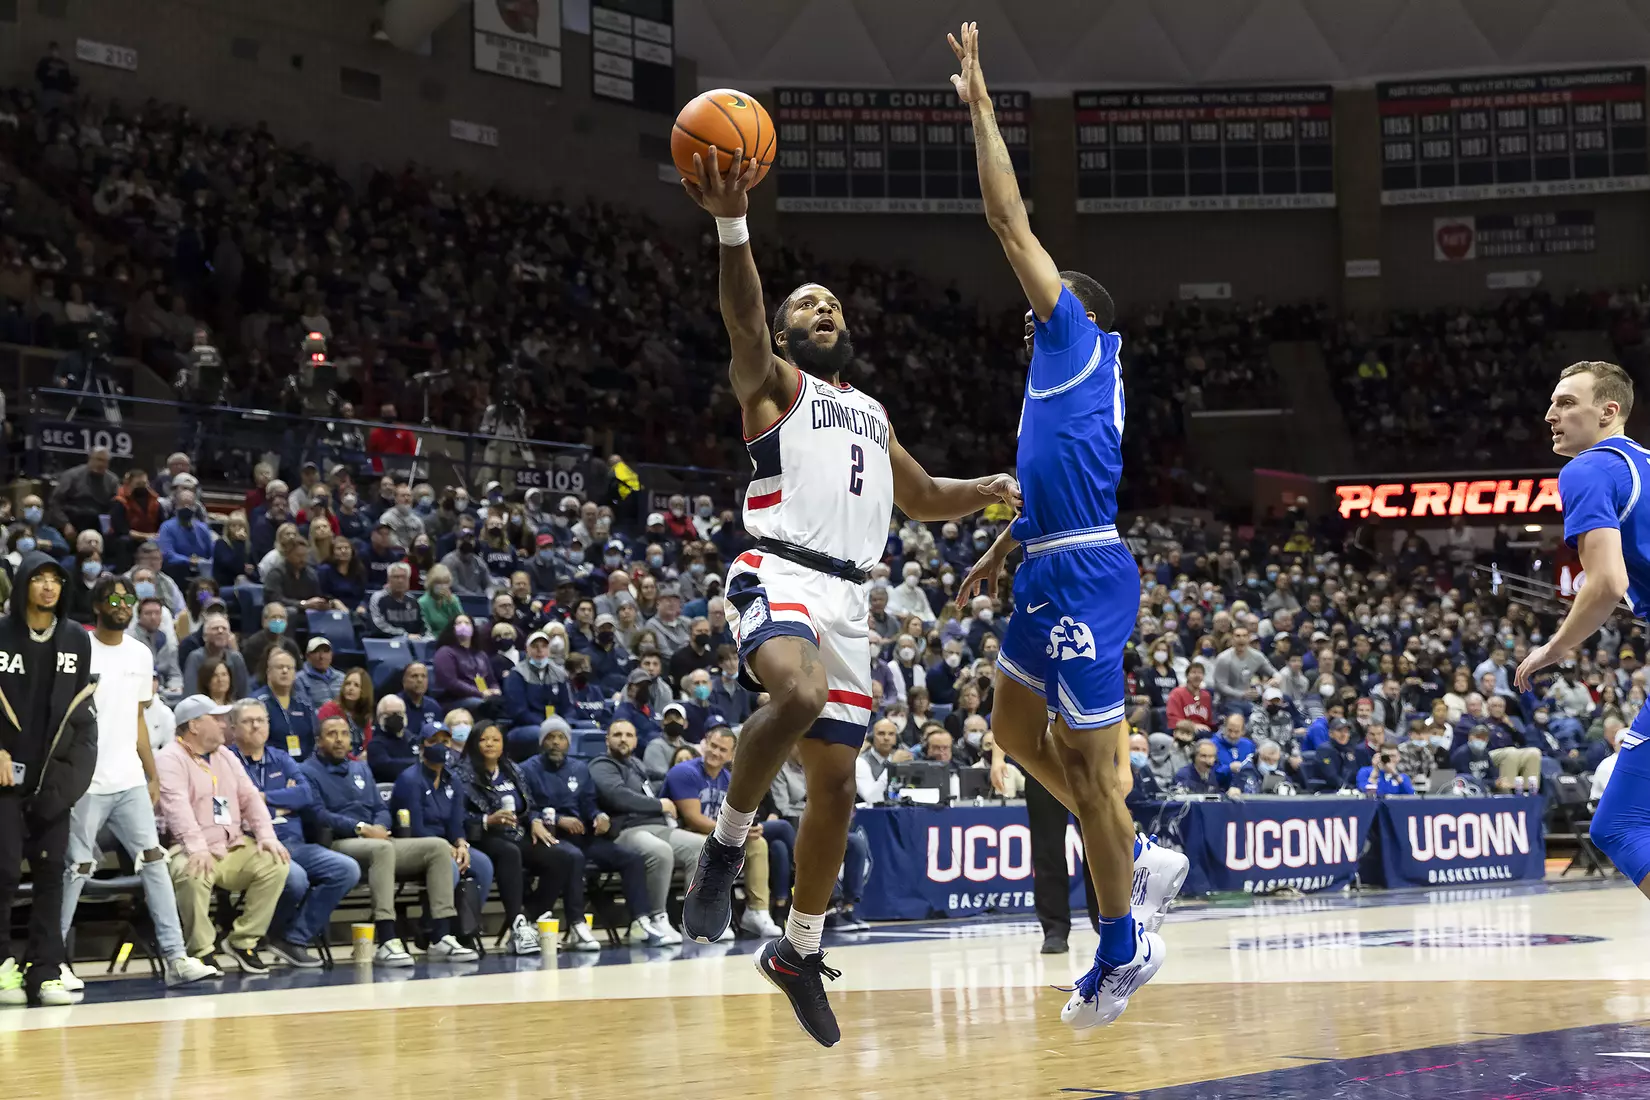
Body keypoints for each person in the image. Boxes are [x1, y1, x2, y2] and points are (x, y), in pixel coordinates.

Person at [677, 121, 1019, 1048]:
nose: (823, 309)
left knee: (835, 791)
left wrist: (984, 490)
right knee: (794, 689)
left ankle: (796, 946)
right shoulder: (772, 383)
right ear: (786, 332)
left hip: (851, 601)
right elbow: (741, 319)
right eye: (807, 304)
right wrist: (735, 226)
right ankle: (724, 843)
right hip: (779, 566)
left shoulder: (870, 410)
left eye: (833, 304)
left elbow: (923, 497)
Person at [948, 21, 1172, 1031]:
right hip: (1045, 562)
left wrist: (985, 106)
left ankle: (1123, 944)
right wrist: (995, 550)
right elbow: (1044, 483)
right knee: (1007, 727)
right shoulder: (1059, 380)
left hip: (1082, 576)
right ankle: (1122, 833)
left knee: (1091, 771)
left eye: (1043, 294)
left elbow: (1005, 218)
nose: (1027, 306)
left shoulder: (1076, 332)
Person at [1522, 361, 1650, 896]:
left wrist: (1555, 647)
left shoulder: (1588, 470)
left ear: (1608, 411)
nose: (1551, 414)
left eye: (1567, 403)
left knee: (1618, 824)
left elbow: (1603, 583)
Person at [59, 575, 217, 991]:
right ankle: (51, 961)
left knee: (154, 860)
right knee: (76, 867)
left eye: (127, 599)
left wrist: (150, 772)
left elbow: (137, 720)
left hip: (129, 777)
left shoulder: (142, 653)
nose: (121, 604)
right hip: (85, 780)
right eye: (113, 598)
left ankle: (176, 957)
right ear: (97, 605)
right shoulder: (79, 648)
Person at [0, 552, 98, 1006]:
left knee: (51, 874)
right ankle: (2, 966)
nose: (47, 587)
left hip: (50, 779)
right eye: (38, 579)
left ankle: (44, 969)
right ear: (22, 585)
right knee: (2, 872)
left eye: (55, 580)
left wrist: (65, 782)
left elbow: (80, 715)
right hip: (3, 779)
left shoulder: (77, 639)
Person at [301, 715, 467, 966]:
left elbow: (380, 807)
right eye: (331, 734)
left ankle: (441, 935)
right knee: (381, 849)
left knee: (438, 847)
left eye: (344, 733)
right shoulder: (307, 771)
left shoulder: (360, 768)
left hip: (375, 839)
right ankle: (387, 939)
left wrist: (379, 825)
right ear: (318, 740)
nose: (339, 739)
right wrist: (362, 828)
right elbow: (317, 814)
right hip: (338, 843)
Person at [155, 695, 292, 975]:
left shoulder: (225, 755)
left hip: (231, 845)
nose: (223, 724)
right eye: (215, 719)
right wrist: (196, 848)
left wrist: (266, 836)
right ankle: (202, 951)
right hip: (185, 848)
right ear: (193, 725)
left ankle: (242, 941)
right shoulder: (169, 758)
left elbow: (250, 797)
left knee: (275, 862)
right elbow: (176, 808)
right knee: (193, 873)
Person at [227, 698, 361, 968]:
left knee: (346, 869)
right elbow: (231, 805)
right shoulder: (226, 761)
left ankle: (292, 938)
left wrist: (260, 798)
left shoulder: (281, 757)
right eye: (248, 721)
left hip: (295, 842)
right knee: (296, 878)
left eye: (261, 720)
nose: (256, 726)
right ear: (233, 727)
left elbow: (304, 794)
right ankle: (263, 934)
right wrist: (280, 801)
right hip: (254, 844)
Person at [452, 722, 583, 954]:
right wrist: (487, 820)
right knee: (509, 852)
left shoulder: (512, 769)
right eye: (484, 739)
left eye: (495, 739)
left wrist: (534, 820)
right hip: (482, 837)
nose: (490, 744)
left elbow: (529, 805)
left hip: (516, 832)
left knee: (562, 856)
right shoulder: (460, 773)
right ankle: (517, 925)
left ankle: (530, 918)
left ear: (503, 744)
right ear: (474, 743)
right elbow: (456, 816)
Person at [518, 719, 648, 952]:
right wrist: (558, 819)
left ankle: (641, 921)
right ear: (542, 742)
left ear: (569, 742)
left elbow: (589, 804)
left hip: (582, 836)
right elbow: (526, 809)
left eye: (561, 737)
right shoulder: (527, 769)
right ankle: (577, 923)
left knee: (632, 858)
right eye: (550, 737)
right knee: (574, 857)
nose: (556, 742)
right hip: (549, 838)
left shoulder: (579, 768)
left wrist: (600, 816)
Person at [663, 726, 781, 939]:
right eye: (713, 746)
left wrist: (748, 829)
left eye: (722, 750)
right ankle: (700, 915)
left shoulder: (731, 780)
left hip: (716, 835)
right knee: (705, 846)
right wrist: (738, 832)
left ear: (732, 754)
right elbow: (693, 819)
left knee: (758, 844)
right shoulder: (684, 771)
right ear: (704, 743)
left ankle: (757, 911)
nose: (716, 753)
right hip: (682, 833)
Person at [589, 719, 692, 946]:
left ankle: (694, 918)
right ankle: (657, 917)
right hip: (626, 830)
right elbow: (618, 796)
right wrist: (659, 805)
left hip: (656, 826)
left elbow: (660, 777)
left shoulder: (636, 764)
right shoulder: (601, 765)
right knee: (660, 851)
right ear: (607, 740)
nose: (623, 739)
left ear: (636, 741)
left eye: (629, 735)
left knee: (703, 847)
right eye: (617, 734)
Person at [386, 728, 483, 962]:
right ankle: (439, 934)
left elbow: (456, 822)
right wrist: (446, 848)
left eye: (445, 741)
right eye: (433, 741)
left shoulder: (453, 780)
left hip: (447, 844)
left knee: (484, 866)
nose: (441, 746)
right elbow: (414, 827)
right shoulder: (410, 780)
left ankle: (462, 930)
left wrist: (461, 844)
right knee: (448, 865)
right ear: (422, 746)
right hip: (417, 844)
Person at [255, 648, 317, 760]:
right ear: (269, 673)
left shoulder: (304, 703)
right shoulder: (257, 703)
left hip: (305, 765)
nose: (285, 671)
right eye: (279, 667)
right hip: (272, 764)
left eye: (289, 668)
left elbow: (314, 740)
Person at [181, 610, 250, 702]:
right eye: (215, 628)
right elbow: (190, 696)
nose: (220, 631)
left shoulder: (236, 658)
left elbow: (245, 695)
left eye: (224, 628)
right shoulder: (195, 657)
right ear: (205, 636)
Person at [317, 666, 375, 756]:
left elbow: (368, 744)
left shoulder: (365, 714)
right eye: (348, 684)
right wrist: (356, 761)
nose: (350, 688)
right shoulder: (329, 709)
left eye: (356, 685)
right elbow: (326, 745)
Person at [855, 717, 911, 804]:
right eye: (881, 733)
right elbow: (873, 799)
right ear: (872, 737)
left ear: (896, 739)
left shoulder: (900, 759)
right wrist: (892, 766)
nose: (886, 738)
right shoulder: (860, 763)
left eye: (891, 734)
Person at [243, 602, 299, 687]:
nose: (278, 621)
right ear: (264, 621)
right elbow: (251, 675)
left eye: (282, 617)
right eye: (274, 617)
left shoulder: (290, 645)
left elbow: (298, 670)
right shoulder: (253, 644)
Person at [367, 561, 424, 639]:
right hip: (386, 643)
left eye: (403, 577)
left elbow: (422, 625)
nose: (400, 581)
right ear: (388, 579)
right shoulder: (378, 598)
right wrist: (404, 635)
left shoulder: (412, 600)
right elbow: (378, 625)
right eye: (396, 577)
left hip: (412, 642)